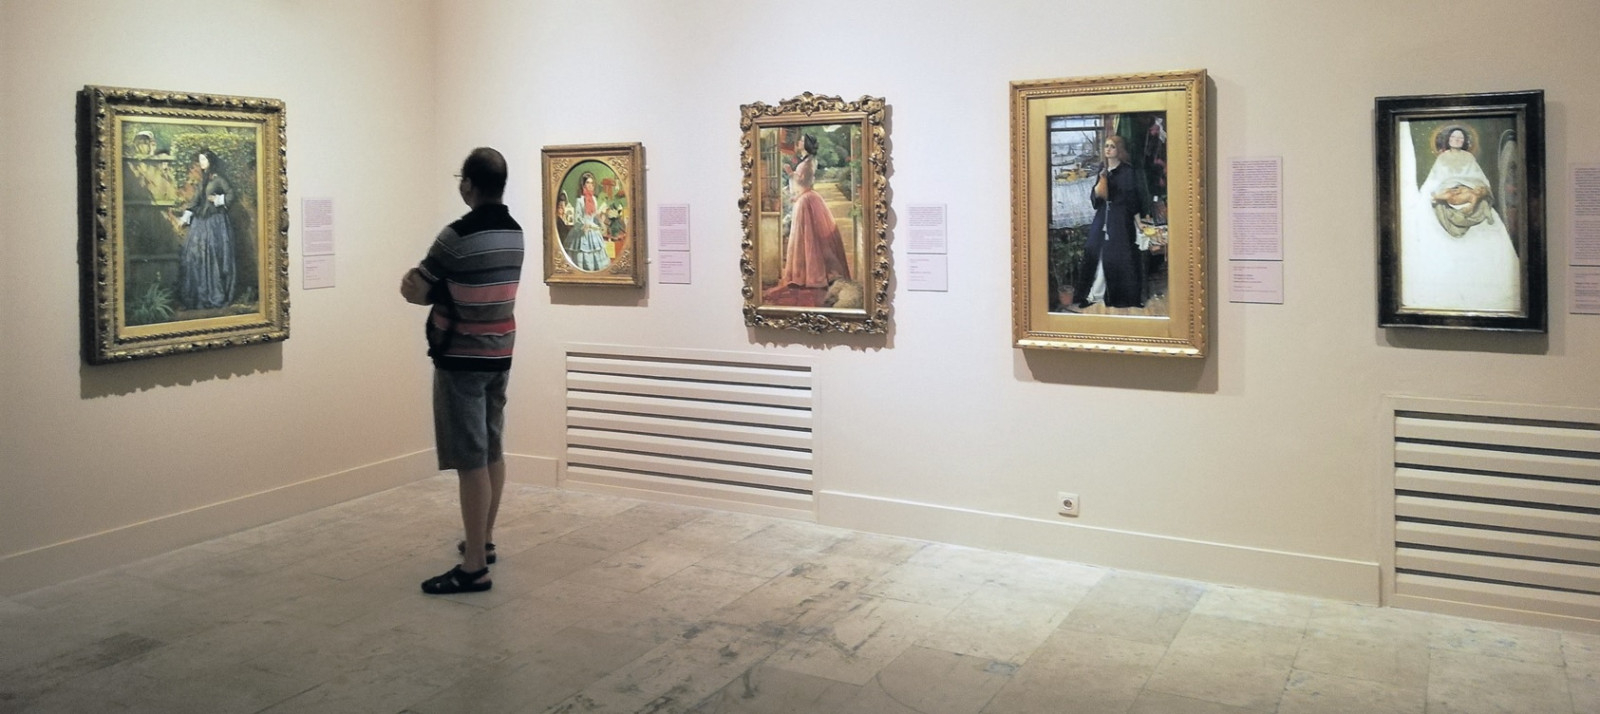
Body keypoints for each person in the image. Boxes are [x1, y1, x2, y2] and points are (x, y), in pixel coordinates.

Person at [400, 147, 524, 595]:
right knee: (492, 449)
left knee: (470, 459)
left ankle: (473, 567)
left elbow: (415, 290)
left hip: (461, 358)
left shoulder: (455, 237)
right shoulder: (515, 232)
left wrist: (429, 288)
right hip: (500, 353)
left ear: (468, 184)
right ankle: (484, 541)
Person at [1399, 125, 1520, 311]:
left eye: (1460, 138)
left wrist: (1470, 188)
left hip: (1468, 194)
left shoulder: (1469, 158)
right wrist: (1435, 194)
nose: (1457, 140)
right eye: (1454, 137)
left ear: (1465, 141)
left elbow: (1480, 180)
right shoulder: (1443, 158)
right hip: (1448, 196)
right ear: (1448, 139)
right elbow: (1434, 181)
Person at [769, 132, 850, 295]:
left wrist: (790, 173)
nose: (798, 142)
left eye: (801, 140)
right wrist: (796, 191)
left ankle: (811, 275)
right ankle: (806, 274)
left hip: (806, 200)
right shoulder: (808, 160)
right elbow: (804, 182)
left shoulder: (808, 161)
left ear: (806, 145)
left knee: (809, 238)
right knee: (808, 238)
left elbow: (801, 181)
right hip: (806, 197)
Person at [1073, 135, 1146, 309]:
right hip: (1102, 217)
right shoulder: (1102, 169)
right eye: (1106, 146)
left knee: (1117, 257)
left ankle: (1123, 297)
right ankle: (1091, 295)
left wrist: (1139, 223)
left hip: (1120, 219)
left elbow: (1133, 199)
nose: (1108, 149)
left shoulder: (1127, 171)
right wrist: (1101, 182)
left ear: (1119, 150)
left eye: (1112, 146)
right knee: (1094, 251)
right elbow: (1097, 198)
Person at [176, 148, 235, 310]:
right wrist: (185, 217)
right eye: (200, 160)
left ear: (211, 161)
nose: (201, 163)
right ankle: (198, 295)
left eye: (204, 160)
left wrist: (218, 199)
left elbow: (231, 195)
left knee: (213, 257)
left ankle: (214, 294)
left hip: (216, 222)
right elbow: (195, 201)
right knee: (196, 256)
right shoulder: (202, 181)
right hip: (200, 223)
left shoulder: (218, 179)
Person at [561, 171, 610, 271]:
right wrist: (583, 225)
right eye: (588, 182)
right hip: (582, 230)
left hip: (593, 230)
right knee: (582, 254)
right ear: (583, 185)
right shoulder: (580, 200)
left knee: (596, 252)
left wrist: (601, 219)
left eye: (592, 183)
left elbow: (594, 215)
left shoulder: (594, 199)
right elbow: (577, 218)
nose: (590, 185)